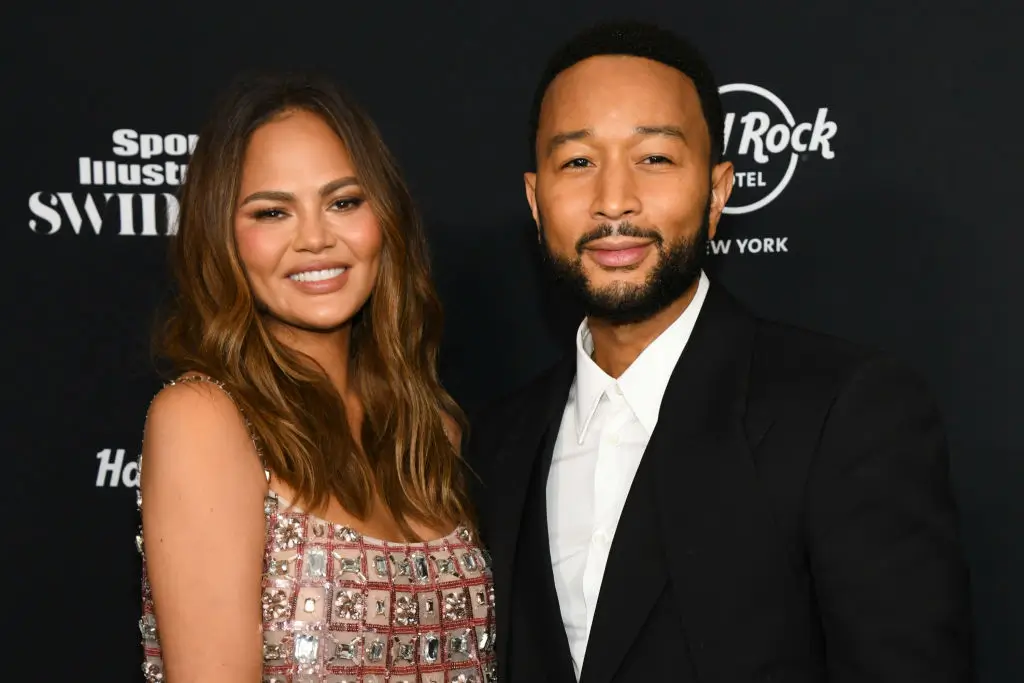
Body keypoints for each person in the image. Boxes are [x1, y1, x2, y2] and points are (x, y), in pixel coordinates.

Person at [464, 21, 973, 683]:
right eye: (578, 162)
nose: (613, 200)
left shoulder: (843, 415)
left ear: (718, 190)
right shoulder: (492, 446)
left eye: (654, 158)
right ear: (536, 201)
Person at [137, 72, 496, 683]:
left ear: (385, 219)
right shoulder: (203, 420)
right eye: (272, 211)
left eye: (343, 202)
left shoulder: (433, 428)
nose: (314, 239)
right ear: (223, 238)